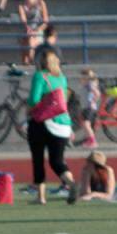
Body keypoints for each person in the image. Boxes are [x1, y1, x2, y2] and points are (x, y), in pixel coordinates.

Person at [27, 50, 77, 205]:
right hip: (63, 124)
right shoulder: (61, 77)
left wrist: (29, 106)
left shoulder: (40, 76)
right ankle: (70, 183)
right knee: (57, 161)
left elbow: (34, 100)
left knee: (38, 158)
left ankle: (41, 197)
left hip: (43, 122)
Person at [18, 0, 49, 66]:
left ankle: (30, 61)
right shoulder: (21, 5)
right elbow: (23, 19)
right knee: (28, 38)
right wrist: (27, 28)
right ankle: (30, 62)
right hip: (26, 30)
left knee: (30, 41)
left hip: (38, 29)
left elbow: (46, 21)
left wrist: (37, 30)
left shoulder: (41, 3)